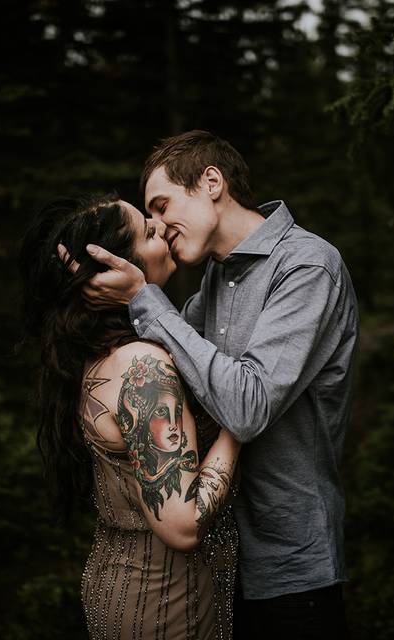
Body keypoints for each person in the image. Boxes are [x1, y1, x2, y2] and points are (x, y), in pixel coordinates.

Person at [74, 131, 359, 639]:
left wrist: (143, 296)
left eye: (161, 206)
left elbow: (247, 407)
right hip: (218, 564)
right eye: (150, 218)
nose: (158, 227)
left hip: (289, 562)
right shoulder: (217, 278)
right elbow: (171, 372)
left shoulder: (306, 267)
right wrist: (78, 290)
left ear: (211, 182)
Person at [18, 193, 240, 640]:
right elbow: (182, 523)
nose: (163, 229)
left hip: (123, 584)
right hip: (164, 603)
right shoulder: (143, 366)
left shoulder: (98, 356)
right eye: (148, 231)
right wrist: (240, 423)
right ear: (119, 269)